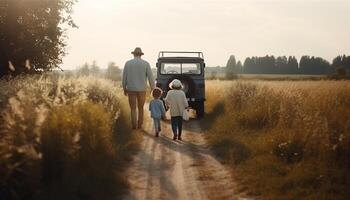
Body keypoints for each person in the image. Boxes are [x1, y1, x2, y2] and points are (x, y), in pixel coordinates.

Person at [122, 47, 155, 129]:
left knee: (133, 108)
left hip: (131, 89)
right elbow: (151, 78)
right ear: (141, 55)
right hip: (142, 90)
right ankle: (140, 125)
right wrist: (153, 89)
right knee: (140, 108)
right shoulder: (146, 63)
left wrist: (124, 88)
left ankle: (134, 125)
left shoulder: (128, 63)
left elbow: (124, 77)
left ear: (133, 54)